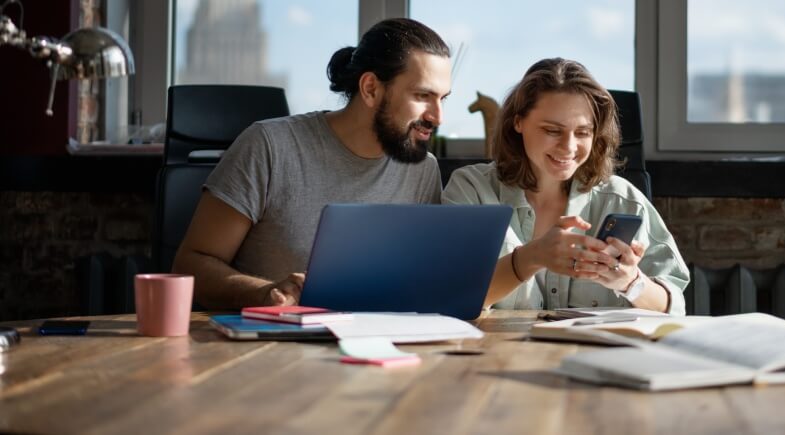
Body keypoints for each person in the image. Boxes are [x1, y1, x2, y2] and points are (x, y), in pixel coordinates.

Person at [174, 18, 452, 309]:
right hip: (275, 344)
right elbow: (190, 266)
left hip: (380, 341)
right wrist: (265, 293)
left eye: (443, 98)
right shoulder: (269, 146)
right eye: (423, 96)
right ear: (370, 89)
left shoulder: (423, 169)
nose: (438, 116)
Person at [442, 58, 690, 314]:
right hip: (499, 353)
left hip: (593, 352)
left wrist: (630, 283)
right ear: (518, 123)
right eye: (552, 130)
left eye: (583, 132)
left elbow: (674, 307)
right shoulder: (471, 190)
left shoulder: (623, 199)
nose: (569, 147)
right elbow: (450, 298)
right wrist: (532, 257)